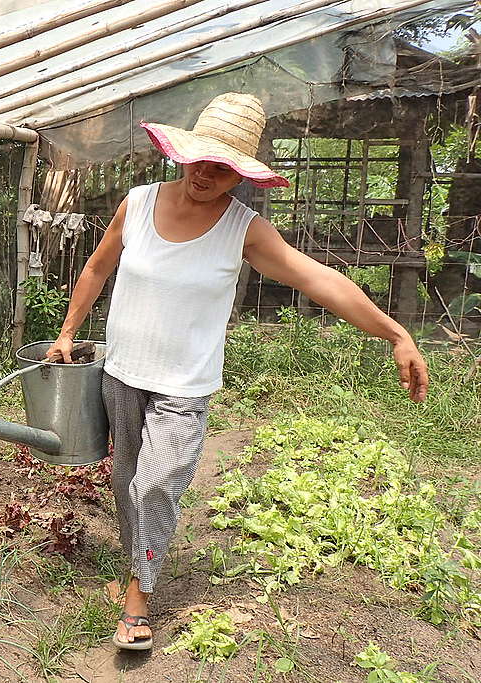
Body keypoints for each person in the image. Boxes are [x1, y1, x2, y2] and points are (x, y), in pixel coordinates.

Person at [44, 92, 429, 651]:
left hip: (184, 387)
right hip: (122, 374)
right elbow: (99, 266)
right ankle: (138, 567)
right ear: (183, 152)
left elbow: (319, 280)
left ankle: (137, 598)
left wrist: (396, 332)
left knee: (156, 485)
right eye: (202, 158)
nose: (206, 174)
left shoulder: (243, 229)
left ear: (240, 175)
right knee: (129, 484)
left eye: (223, 168)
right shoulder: (137, 203)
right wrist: (68, 331)